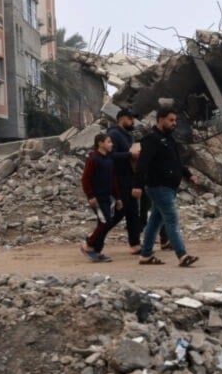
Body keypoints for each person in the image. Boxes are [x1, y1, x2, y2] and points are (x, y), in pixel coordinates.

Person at [132, 107, 199, 267]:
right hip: (158, 186)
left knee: (155, 221)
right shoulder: (151, 140)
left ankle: (146, 255)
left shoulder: (169, 140)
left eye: (175, 120)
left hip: (168, 187)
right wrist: (137, 185)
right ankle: (182, 255)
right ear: (160, 119)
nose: (174, 123)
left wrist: (188, 175)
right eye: (171, 120)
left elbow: (177, 162)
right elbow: (142, 164)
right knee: (171, 220)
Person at [80, 133, 124, 262]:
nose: (111, 144)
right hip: (97, 198)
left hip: (108, 197)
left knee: (104, 223)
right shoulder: (93, 159)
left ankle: (96, 251)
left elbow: (113, 180)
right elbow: (85, 179)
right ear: (100, 143)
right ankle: (88, 245)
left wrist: (118, 197)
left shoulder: (109, 160)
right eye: (109, 142)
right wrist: (90, 196)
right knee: (105, 223)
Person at [107, 109, 142, 254]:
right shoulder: (114, 134)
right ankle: (95, 236)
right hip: (118, 178)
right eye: (130, 118)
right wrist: (129, 154)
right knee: (120, 212)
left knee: (133, 212)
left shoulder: (128, 136)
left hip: (130, 177)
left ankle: (135, 245)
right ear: (121, 119)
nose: (132, 122)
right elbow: (109, 156)